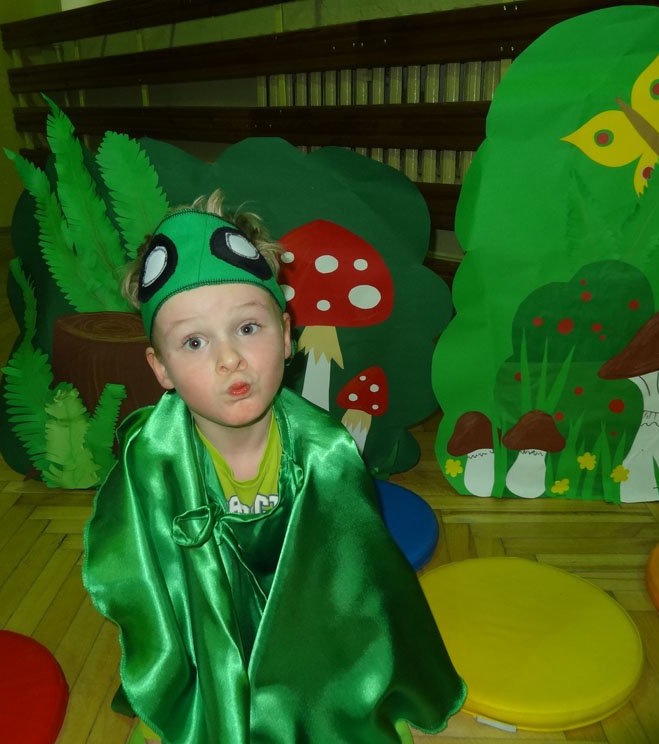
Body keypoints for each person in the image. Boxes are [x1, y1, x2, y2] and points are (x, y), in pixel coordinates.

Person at [83, 191, 465, 744]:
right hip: (204, 626)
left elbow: (356, 586)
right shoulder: (152, 457)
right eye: (194, 341)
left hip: (306, 622)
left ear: (286, 335)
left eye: (247, 328)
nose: (229, 359)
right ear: (160, 367)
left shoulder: (324, 452)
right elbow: (147, 581)